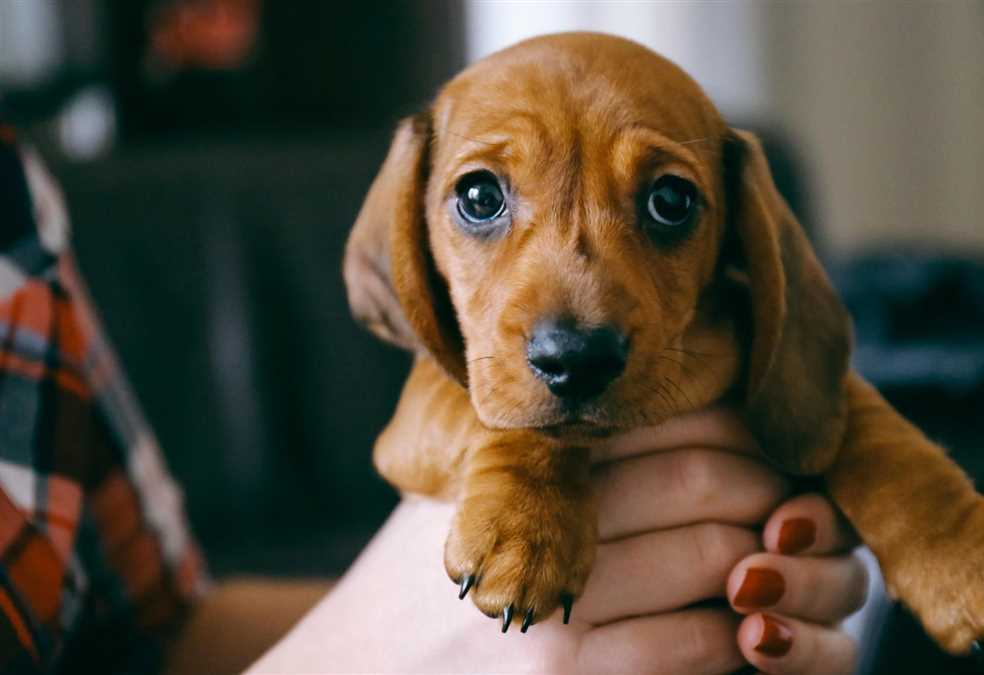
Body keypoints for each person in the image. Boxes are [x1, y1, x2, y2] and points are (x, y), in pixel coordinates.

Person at [0, 127, 868, 674]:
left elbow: (154, 637)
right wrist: (364, 658)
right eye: (483, 199)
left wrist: (644, 606)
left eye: (668, 203)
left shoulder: (14, 200)